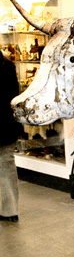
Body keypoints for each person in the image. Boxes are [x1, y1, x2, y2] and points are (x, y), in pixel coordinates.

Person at [0, 50, 23, 222]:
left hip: (5, 126)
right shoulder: (8, 66)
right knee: (7, 166)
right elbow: (14, 96)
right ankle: (10, 210)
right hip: (6, 125)